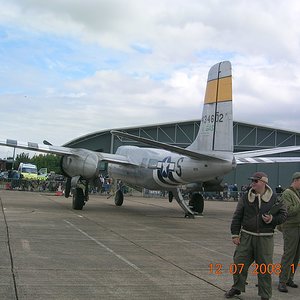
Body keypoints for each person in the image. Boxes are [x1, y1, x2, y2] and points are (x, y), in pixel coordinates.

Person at [225, 172, 287, 300]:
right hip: (247, 236)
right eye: (252, 181)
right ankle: (237, 287)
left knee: (264, 268)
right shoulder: (245, 197)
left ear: (264, 182)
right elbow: (237, 217)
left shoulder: (275, 198)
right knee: (238, 263)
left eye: (255, 181)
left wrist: (272, 219)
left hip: (265, 238)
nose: (252, 183)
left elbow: (283, 215)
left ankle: (265, 294)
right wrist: (235, 234)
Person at [278, 171, 300, 293]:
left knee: (296, 256)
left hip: (298, 227)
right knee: (289, 254)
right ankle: (282, 281)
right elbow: (289, 211)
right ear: (296, 180)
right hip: (290, 227)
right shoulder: (287, 193)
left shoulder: (298, 193)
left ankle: (289, 278)